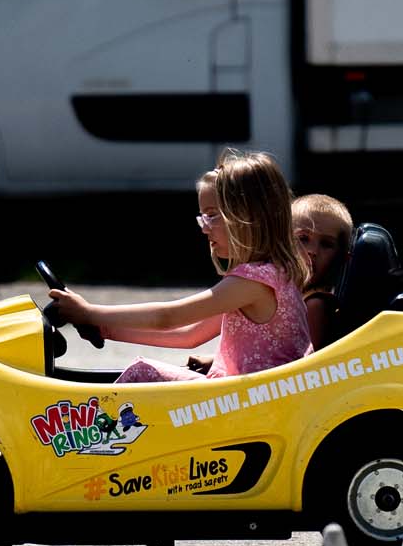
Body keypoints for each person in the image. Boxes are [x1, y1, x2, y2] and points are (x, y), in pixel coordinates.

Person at [48, 149, 310, 382]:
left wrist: (89, 312)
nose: (204, 228)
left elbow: (169, 317)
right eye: (202, 217)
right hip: (250, 397)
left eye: (211, 216)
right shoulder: (273, 274)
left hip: (247, 402)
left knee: (143, 372)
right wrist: (104, 328)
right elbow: (188, 335)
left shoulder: (253, 282)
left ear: (249, 216)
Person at [292, 193, 353, 351]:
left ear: (340, 257)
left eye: (326, 244)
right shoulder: (289, 292)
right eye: (303, 238)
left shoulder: (315, 304)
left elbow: (308, 361)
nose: (312, 251)